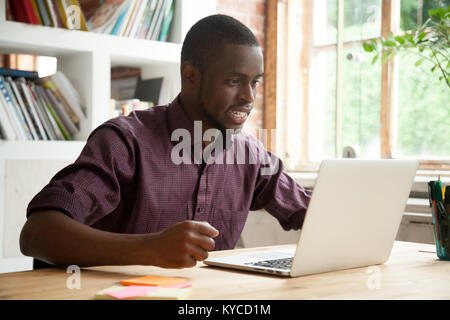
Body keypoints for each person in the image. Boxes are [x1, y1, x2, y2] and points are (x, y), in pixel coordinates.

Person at [19, 14, 312, 269]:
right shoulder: (126, 141)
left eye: (255, 82)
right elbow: (38, 233)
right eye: (234, 81)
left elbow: (313, 212)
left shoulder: (251, 155)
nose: (248, 97)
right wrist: (150, 248)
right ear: (190, 76)